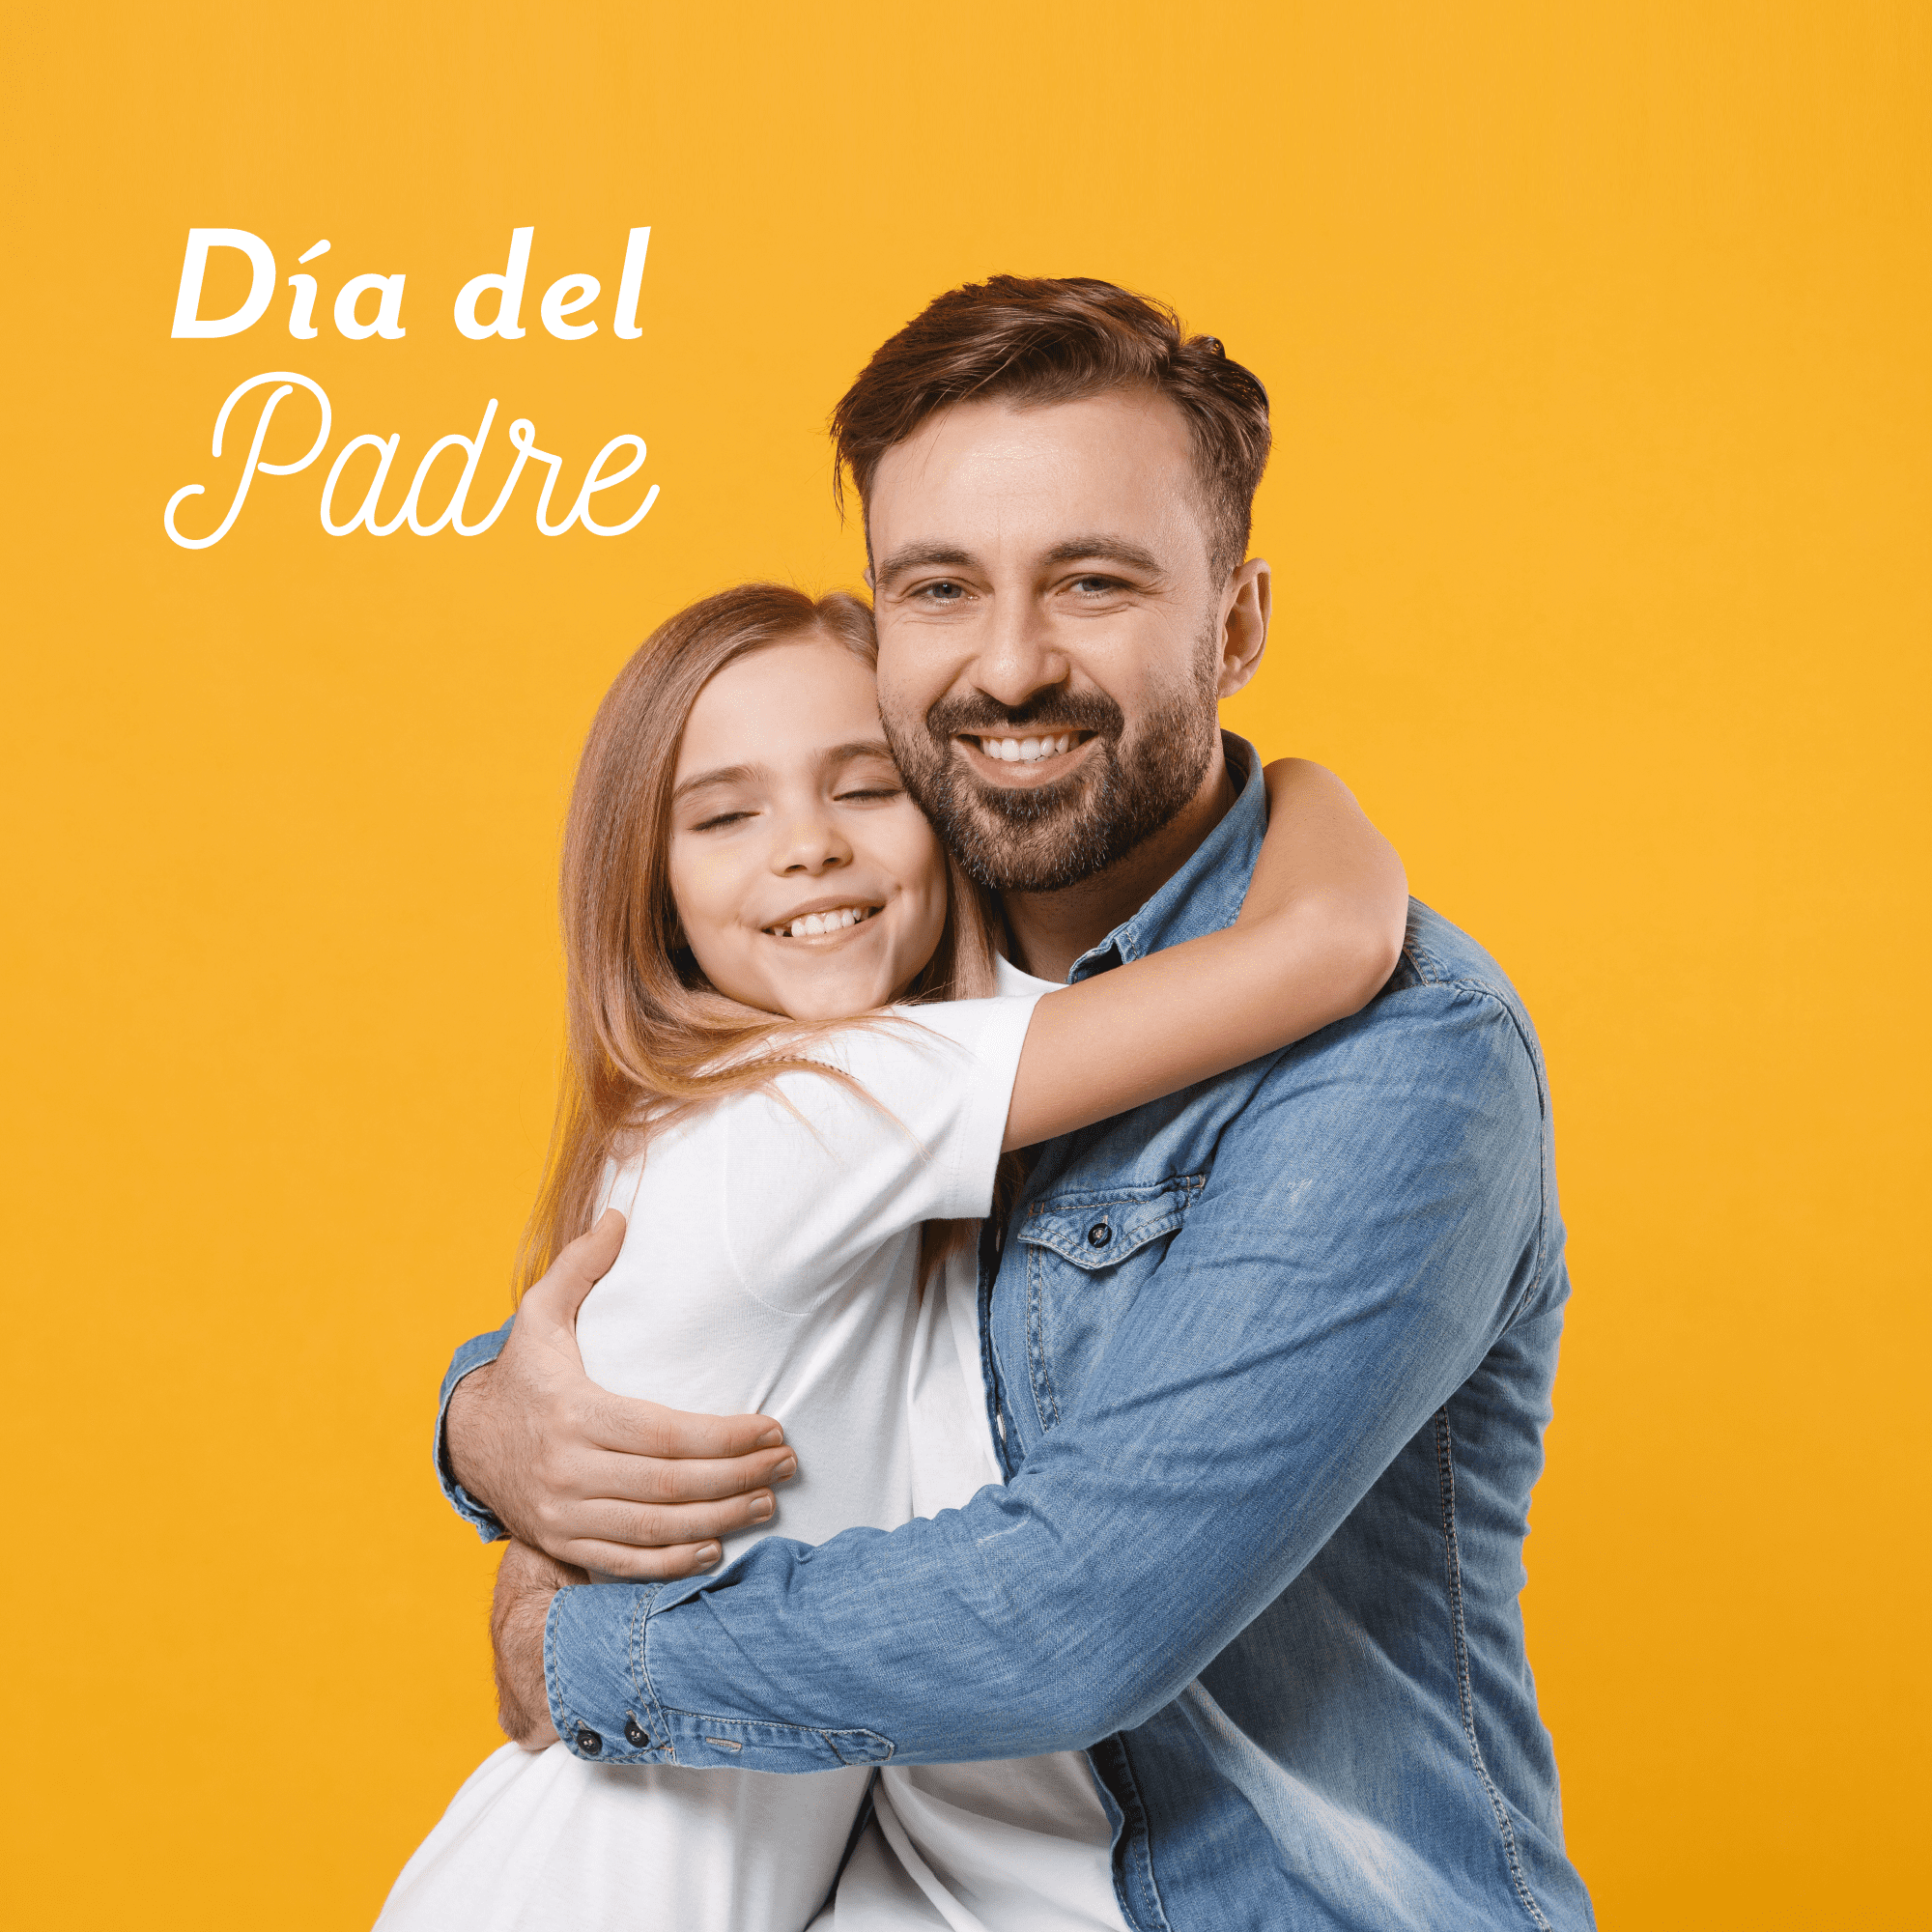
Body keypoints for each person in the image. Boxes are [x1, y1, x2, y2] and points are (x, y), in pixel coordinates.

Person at [442, 278, 1599, 1929]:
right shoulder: (875, 1010)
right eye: (938, 589)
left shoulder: (1401, 1058)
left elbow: (1073, 1620)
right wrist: (492, 1418)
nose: (1009, 665)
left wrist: (585, 1645)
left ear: (1237, 625)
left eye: (1094, 582)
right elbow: (694, 1289)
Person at [378, 580, 1406, 1931]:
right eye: (728, 815)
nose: (806, 849)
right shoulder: (816, 1106)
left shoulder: (778, 1112)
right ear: (655, 889)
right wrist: (1297, 782)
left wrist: (477, 1416)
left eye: (863, 789)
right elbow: (1328, 942)